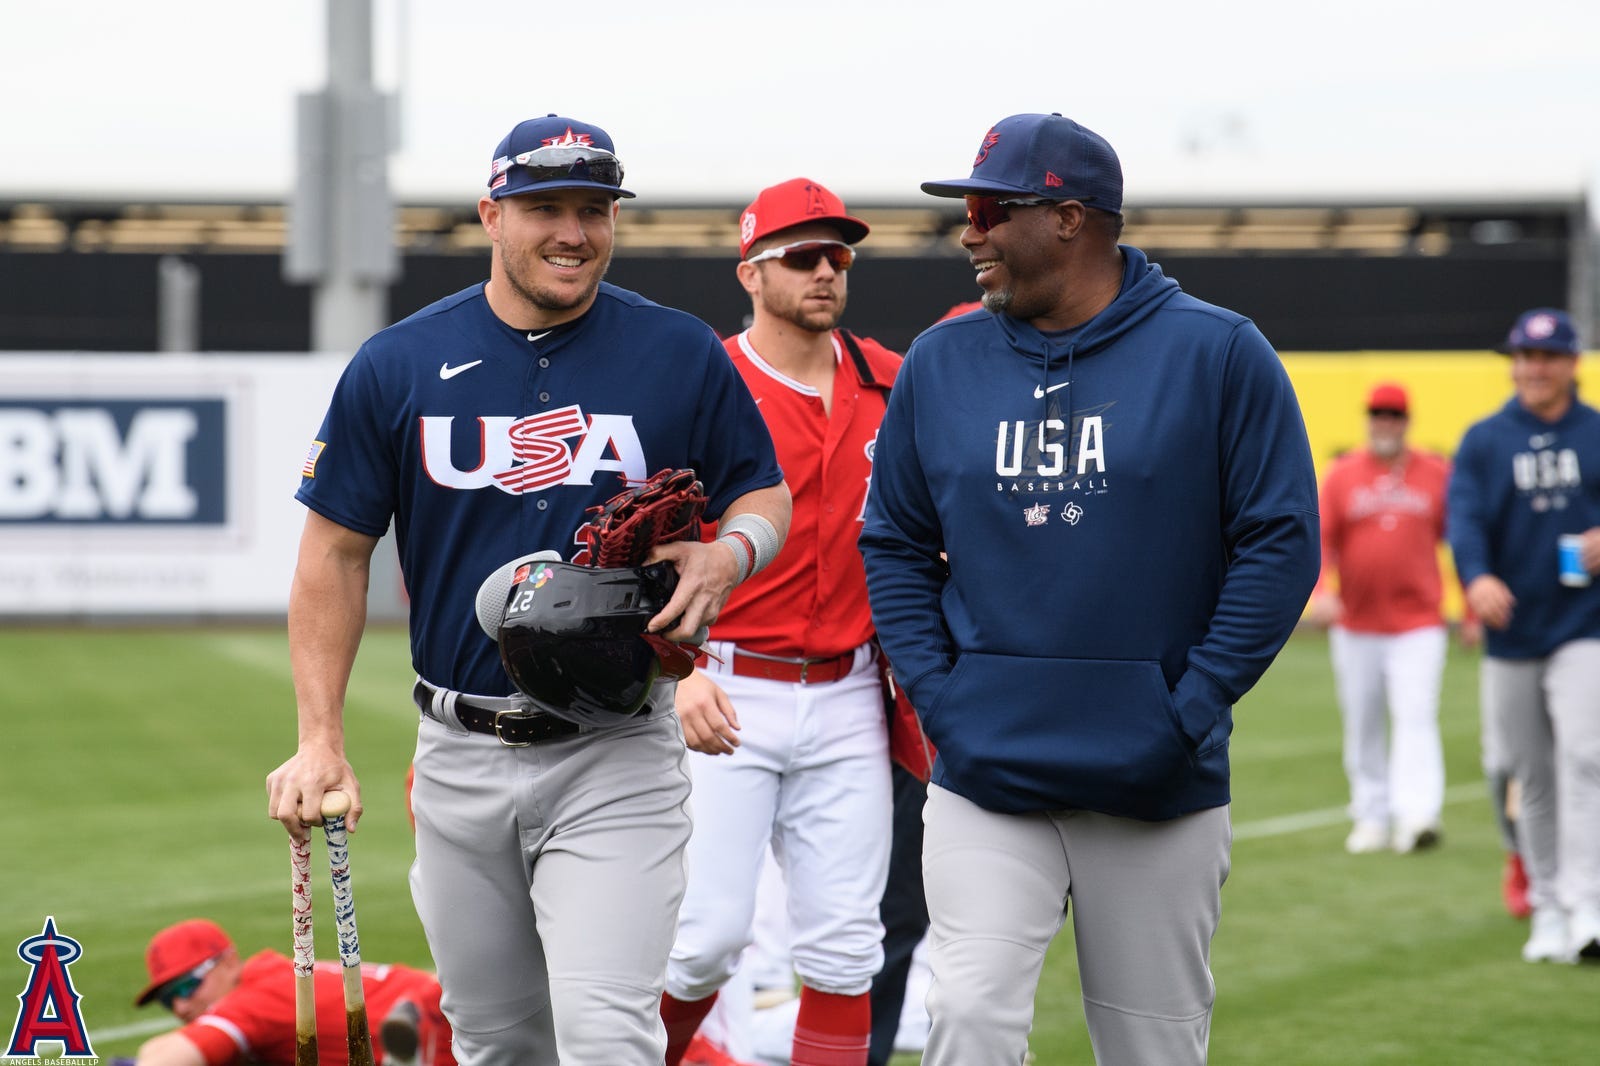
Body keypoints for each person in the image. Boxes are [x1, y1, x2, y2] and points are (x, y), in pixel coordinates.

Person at [264, 114, 792, 1065]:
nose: (574, 231)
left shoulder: (675, 351)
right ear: (491, 216)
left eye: (594, 210)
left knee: (603, 1034)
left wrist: (731, 554)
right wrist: (319, 739)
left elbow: (762, 490)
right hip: (460, 751)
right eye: (544, 207)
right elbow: (335, 553)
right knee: (497, 1042)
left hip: (617, 748)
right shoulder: (400, 362)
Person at [859, 112, 1320, 1065]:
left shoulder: (1220, 353)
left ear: (1070, 219)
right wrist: (944, 700)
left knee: (1152, 1047)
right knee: (969, 1020)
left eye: (989, 209)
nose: (968, 233)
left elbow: (1278, 546)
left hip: (1156, 781)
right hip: (988, 770)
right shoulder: (942, 362)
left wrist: (1187, 707)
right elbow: (895, 544)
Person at [659, 177, 900, 1066]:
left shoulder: (890, 381)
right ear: (751, 274)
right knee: (702, 942)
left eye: (839, 255)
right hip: (722, 684)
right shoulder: (705, 381)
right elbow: (640, 543)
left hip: (848, 694)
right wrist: (675, 672)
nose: (826, 270)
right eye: (802, 256)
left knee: (844, 949)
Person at [1447, 306, 1600, 964]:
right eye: (1524, 357)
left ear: (1572, 364)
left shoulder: (1595, 432)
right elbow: (1465, 518)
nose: (1533, 369)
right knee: (1529, 774)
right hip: (1512, 629)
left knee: (1587, 758)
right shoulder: (1485, 439)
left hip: (1585, 625)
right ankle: (1545, 905)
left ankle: (1587, 902)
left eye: (1546, 357)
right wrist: (1476, 578)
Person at [1307, 381, 1454, 854]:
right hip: (1357, 623)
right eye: (1377, 413)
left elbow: (1463, 538)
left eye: (1393, 414)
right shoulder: (1344, 473)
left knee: (1416, 715)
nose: (1384, 422)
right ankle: (1370, 815)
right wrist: (1320, 592)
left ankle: (1417, 816)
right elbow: (1319, 539)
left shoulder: (1435, 472)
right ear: (1367, 419)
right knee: (1363, 720)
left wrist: (1471, 605)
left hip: (1419, 621)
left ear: (1407, 420)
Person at [130, 918, 453, 1066]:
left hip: (444, 1038)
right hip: (453, 1003)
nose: (181, 1006)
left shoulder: (252, 1002)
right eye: (167, 999)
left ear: (229, 962)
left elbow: (172, 1059)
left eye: (188, 985)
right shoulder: (279, 976)